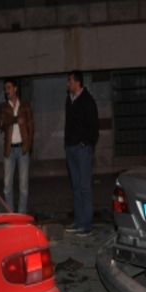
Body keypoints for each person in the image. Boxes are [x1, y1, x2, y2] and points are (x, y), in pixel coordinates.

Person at [64, 70, 99, 237]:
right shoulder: (69, 100)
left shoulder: (87, 100)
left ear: (77, 82)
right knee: (76, 186)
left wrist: (86, 143)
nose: (67, 84)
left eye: (69, 81)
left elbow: (94, 126)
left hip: (82, 149)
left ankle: (87, 225)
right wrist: (67, 143)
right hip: (71, 148)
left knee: (85, 187)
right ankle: (79, 222)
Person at [0, 77, 34, 213]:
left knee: (23, 187)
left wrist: (29, 145)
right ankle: (11, 214)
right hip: (9, 150)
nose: (6, 91)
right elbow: (3, 121)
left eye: (9, 87)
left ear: (15, 89)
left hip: (22, 149)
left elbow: (31, 125)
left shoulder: (25, 106)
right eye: (5, 88)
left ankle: (21, 215)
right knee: (7, 186)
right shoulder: (4, 106)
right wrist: (15, 119)